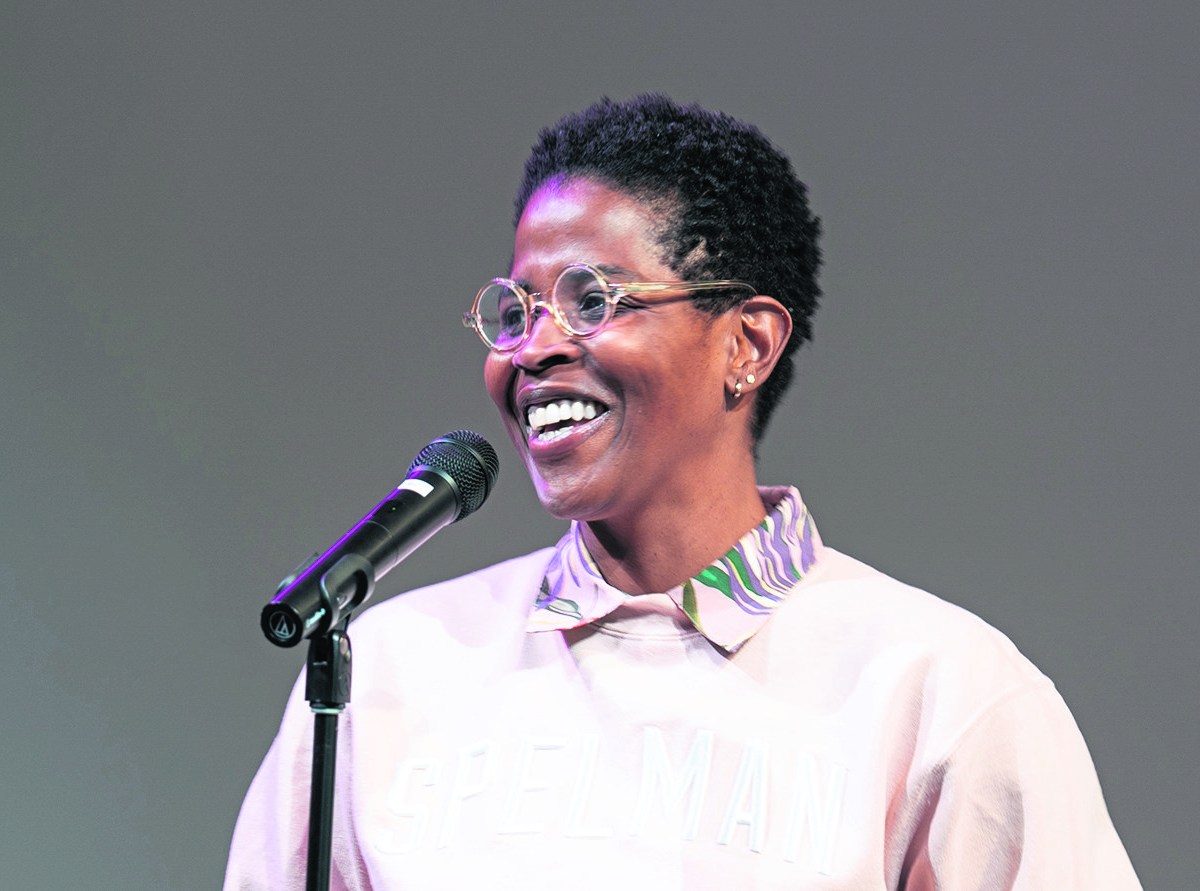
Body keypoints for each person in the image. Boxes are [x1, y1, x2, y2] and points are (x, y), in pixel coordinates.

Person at [225, 95, 1140, 889]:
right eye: (516, 309)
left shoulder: (939, 690)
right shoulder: (386, 674)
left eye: (592, 299)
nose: (533, 348)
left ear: (747, 343)